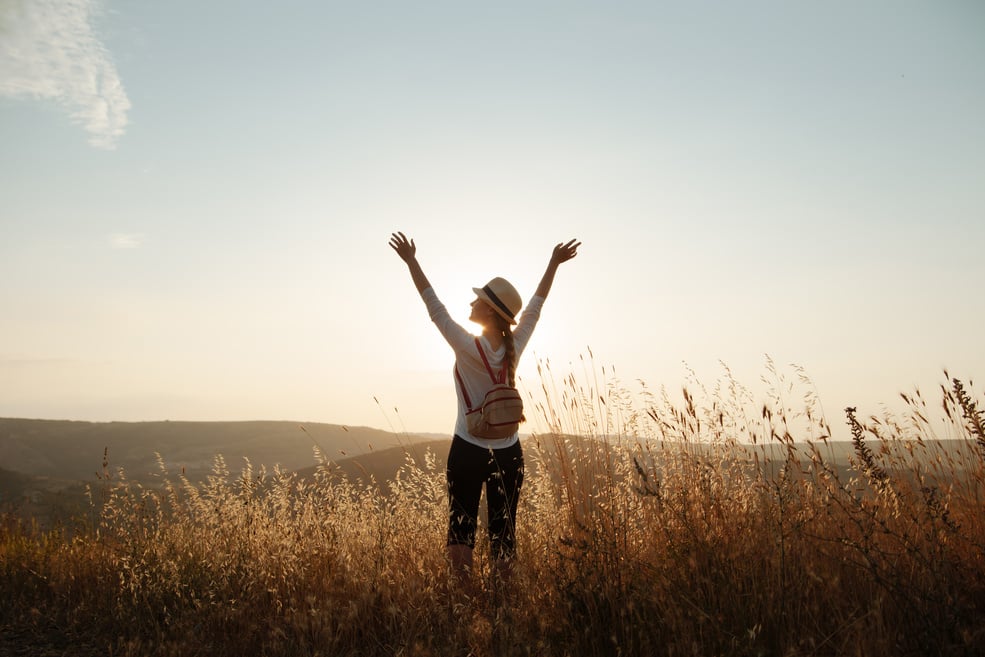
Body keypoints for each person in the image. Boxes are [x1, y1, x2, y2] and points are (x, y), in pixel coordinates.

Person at [388, 231, 581, 588]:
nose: (472, 303)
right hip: (509, 453)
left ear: (490, 311)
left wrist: (412, 261)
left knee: (460, 529)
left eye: (478, 301)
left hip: (467, 449)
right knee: (503, 533)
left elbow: (434, 306)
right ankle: (503, 609)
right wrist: (553, 264)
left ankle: (463, 608)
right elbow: (536, 307)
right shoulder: (514, 345)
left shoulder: (465, 345)